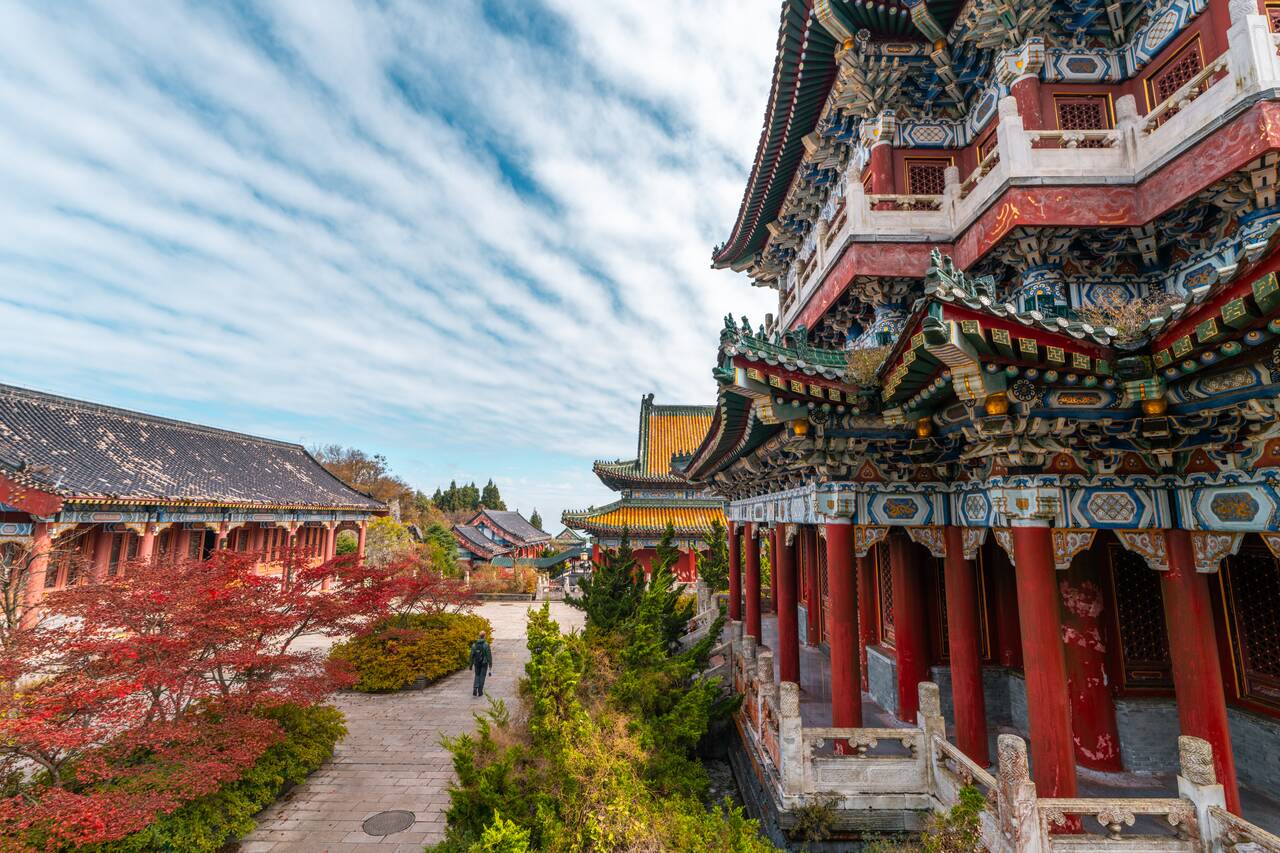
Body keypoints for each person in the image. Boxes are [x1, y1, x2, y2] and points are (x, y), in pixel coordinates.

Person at [469, 631, 492, 697]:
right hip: (484, 663)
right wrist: (490, 664)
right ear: (484, 636)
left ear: (479, 636)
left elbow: (471, 655)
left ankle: (475, 688)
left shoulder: (474, 645)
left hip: (476, 662)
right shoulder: (486, 644)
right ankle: (480, 691)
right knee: (482, 676)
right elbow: (489, 655)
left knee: (477, 675)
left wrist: (470, 665)